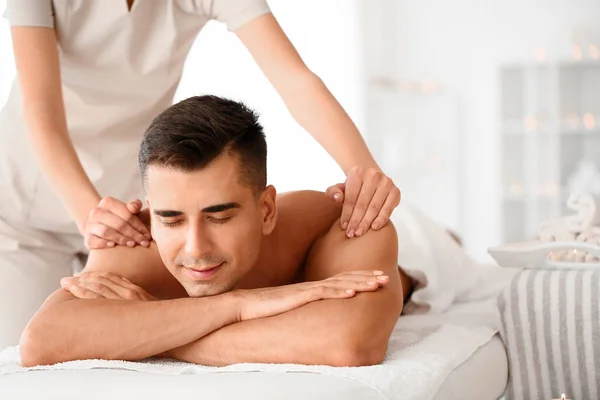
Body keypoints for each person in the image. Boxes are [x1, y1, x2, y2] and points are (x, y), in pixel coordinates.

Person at [0, 0, 402, 349]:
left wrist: (361, 170)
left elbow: (293, 79)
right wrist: (90, 214)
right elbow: (41, 112)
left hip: (135, 208)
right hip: (30, 211)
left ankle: (411, 281)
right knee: (16, 359)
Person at [18, 96, 412, 368]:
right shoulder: (138, 241)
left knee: (416, 268)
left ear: (266, 210)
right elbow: (42, 342)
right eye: (171, 219)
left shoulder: (343, 220)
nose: (195, 249)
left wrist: (149, 329)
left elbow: (348, 343)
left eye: (219, 216)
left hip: (426, 254)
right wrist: (237, 307)